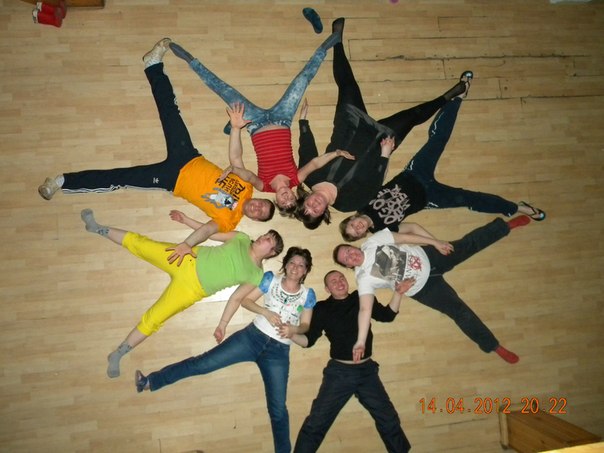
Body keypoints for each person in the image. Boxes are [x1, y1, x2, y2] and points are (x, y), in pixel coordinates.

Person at [38, 38, 275, 265]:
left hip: (171, 179)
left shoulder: (229, 221)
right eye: (262, 205)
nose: (257, 208)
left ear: (254, 219)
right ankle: (153, 65)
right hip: (189, 156)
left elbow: (207, 230)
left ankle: (62, 181)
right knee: (170, 112)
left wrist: (187, 244)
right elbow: (237, 159)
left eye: (259, 214)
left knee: (120, 178)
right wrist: (236, 131)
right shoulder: (247, 187)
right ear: (259, 199)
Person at [293, 19, 473, 230]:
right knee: (413, 116)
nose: (314, 205)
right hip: (379, 143)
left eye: (308, 205)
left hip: (350, 125)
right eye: (315, 212)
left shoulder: (310, 177)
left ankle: (337, 41)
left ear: (305, 198)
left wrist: (303, 123)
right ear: (323, 214)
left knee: (347, 84)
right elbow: (374, 184)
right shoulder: (346, 204)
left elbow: (307, 151)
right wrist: (385, 155)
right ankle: (451, 95)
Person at [135, 246, 317, 453]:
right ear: (285, 264)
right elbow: (246, 300)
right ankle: (150, 381)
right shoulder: (270, 280)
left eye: (301, 265)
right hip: (252, 337)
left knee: (278, 409)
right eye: (292, 262)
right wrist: (265, 312)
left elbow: (305, 325)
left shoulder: (308, 295)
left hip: (278, 352)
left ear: (306, 270)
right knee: (202, 363)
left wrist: (294, 329)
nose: (295, 267)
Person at [79, 207, 284, 379]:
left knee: (155, 318)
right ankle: (97, 228)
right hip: (186, 257)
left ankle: (118, 354)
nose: (263, 237)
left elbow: (237, 298)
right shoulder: (242, 238)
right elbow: (211, 233)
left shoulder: (256, 274)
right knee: (141, 244)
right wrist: (186, 220)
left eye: (269, 240)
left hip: (192, 289)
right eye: (266, 234)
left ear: (272, 252)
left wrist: (222, 324)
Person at [168, 22, 347, 214]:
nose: (286, 198)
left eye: (283, 203)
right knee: (302, 81)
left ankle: (192, 61)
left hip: (254, 123)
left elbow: (242, 169)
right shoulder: (297, 179)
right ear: (295, 195)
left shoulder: (264, 186)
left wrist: (234, 164)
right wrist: (336, 153)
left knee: (224, 90)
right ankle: (326, 46)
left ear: (276, 201)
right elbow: (315, 163)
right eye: (291, 200)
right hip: (283, 118)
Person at [338, 96, 546, 241]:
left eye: (353, 225)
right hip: (429, 198)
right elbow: (410, 230)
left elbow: (378, 177)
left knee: (438, 139)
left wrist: (386, 154)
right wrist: (434, 242)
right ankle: (516, 208)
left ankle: (456, 99)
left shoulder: (362, 201)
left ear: (353, 218)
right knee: (470, 199)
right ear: (363, 235)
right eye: (357, 232)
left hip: (414, 174)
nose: (358, 227)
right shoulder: (382, 231)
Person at [333, 215, 534, 364]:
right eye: (346, 259)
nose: (351, 255)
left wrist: (435, 243)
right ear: (348, 266)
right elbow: (365, 310)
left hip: (431, 257)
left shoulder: (373, 242)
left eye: (348, 250)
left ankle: (505, 226)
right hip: (424, 289)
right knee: (459, 312)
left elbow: (404, 238)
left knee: (469, 244)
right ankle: (493, 346)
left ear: (354, 247)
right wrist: (360, 341)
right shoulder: (363, 278)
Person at [291, 270, 411, 453]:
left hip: (367, 372)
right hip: (340, 374)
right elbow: (308, 341)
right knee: (316, 422)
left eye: (341, 278)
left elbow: (387, 315)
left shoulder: (361, 297)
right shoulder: (322, 308)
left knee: (389, 419)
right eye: (333, 281)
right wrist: (290, 334)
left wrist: (398, 293)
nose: (339, 282)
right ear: (327, 288)